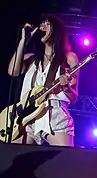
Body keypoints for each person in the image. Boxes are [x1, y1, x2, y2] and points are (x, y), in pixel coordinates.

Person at [7, 14, 79, 147]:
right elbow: (13, 71)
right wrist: (24, 41)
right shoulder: (31, 59)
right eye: (41, 24)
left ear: (56, 30)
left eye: (47, 24)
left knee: (66, 161)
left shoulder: (68, 58)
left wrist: (66, 88)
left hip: (53, 115)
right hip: (27, 118)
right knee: (15, 159)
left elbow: (73, 96)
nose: (42, 27)